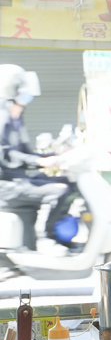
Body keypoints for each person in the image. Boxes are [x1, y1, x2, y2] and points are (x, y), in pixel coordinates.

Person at [0, 64, 68, 251]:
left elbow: (25, 152)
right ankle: (45, 239)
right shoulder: (3, 118)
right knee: (58, 191)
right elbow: (6, 154)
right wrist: (39, 161)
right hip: (7, 186)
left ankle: (64, 235)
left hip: (19, 178)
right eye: (22, 88)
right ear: (12, 90)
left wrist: (53, 157)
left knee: (66, 181)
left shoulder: (16, 118)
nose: (27, 93)